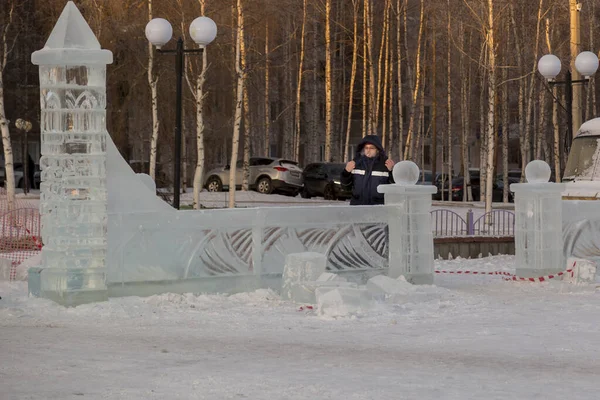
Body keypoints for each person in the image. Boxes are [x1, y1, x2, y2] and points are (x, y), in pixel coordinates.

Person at [341, 135, 395, 205]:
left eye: (371, 148)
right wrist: (346, 172)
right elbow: (345, 188)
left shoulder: (385, 165)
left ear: (377, 150)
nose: (368, 150)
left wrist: (392, 172)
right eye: (366, 148)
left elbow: (394, 188)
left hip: (378, 209)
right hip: (357, 208)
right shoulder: (356, 164)